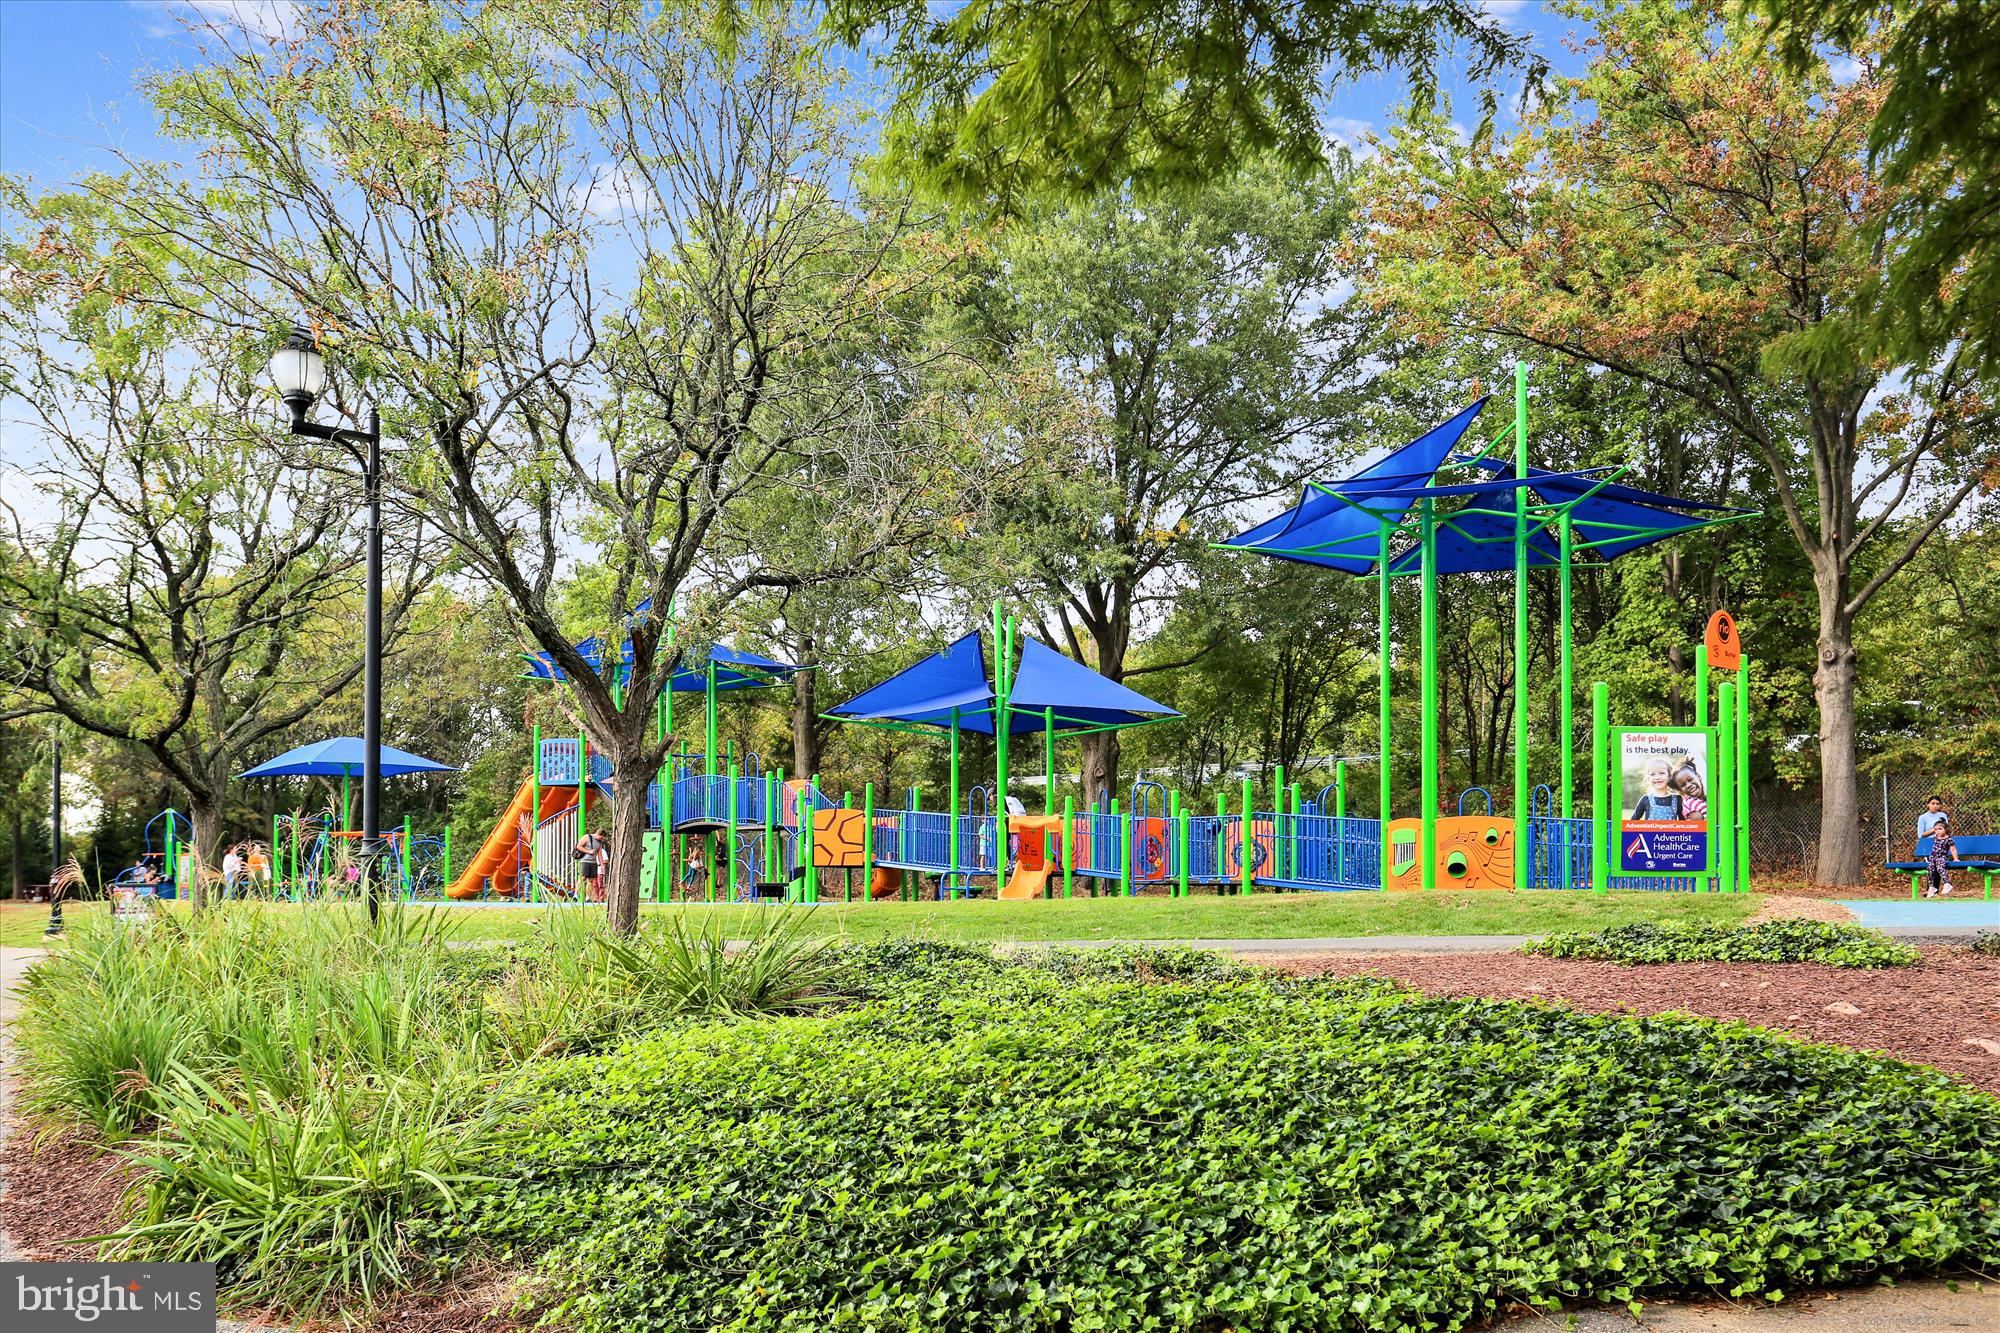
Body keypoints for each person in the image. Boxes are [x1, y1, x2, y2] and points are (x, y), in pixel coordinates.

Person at [1924, 815, 1957, 898]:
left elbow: (1953, 849)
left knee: (1940, 868)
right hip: (1932, 857)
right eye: (1935, 829)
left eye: (1940, 829)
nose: (1937, 831)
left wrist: (1956, 858)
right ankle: (1932, 887)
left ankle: (1947, 883)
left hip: (1941, 857)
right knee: (1930, 870)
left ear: (1946, 829)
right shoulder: (1936, 837)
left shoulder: (1948, 839)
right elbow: (1924, 835)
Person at [575, 828, 609, 902]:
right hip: (585, 861)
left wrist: (602, 866)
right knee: (582, 878)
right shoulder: (587, 837)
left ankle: (588, 896)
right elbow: (578, 846)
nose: (602, 839)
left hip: (593, 862)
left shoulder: (599, 843)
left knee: (590, 880)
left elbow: (600, 855)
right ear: (599, 834)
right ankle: (576, 894)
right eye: (602, 837)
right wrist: (589, 851)